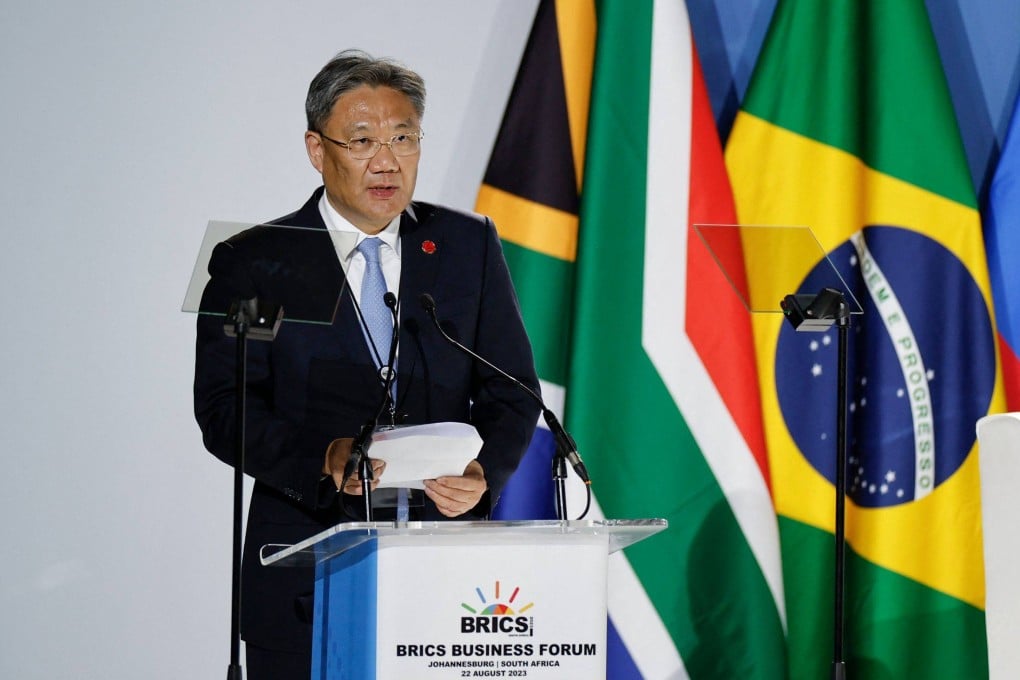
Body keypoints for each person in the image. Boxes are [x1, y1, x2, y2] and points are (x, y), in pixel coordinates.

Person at [193, 49, 541, 678]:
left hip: (445, 584)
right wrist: (320, 459)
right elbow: (225, 409)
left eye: (404, 138)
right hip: (305, 571)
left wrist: (484, 471)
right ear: (316, 148)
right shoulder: (258, 260)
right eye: (362, 140)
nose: (387, 160)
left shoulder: (465, 245)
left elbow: (512, 391)